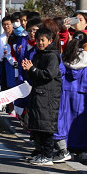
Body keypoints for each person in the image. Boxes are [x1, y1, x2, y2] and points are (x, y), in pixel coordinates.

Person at [54, 32, 87, 162]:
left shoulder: (65, 57)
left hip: (66, 93)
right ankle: (81, 150)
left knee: (65, 120)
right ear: (86, 44)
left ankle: (65, 148)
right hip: (84, 94)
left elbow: (60, 72)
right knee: (82, 122)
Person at [21, 27, 62, 165]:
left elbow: (49, 74)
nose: (40, 43)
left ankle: (47, 154)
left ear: (50, 41)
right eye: (38, 40)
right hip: (38, 94)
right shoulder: (38, 54)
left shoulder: (51, 56)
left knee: (46, 126)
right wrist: (28, 69)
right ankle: (39, 152)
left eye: (43, 40)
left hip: (48, 96)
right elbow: (35, 75)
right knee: (37, 125)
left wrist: (32, 69)